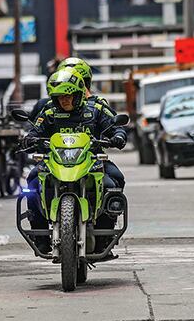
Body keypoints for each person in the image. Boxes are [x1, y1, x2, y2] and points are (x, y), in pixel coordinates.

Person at [23, 68, 127, 255]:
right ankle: (40, 237)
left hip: (92, 161)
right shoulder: (48, 112)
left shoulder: (96, 109)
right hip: (54, 162)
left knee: (113, 182)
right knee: (32, 183)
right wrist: (28, 139)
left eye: (68, 96)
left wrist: (118, 136)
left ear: (78, 95)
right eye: (59, 97)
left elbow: (115, 127)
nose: (64, 100)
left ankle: (105, 237)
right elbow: (34, 131)